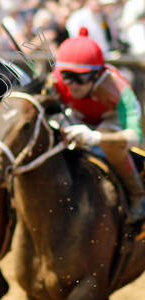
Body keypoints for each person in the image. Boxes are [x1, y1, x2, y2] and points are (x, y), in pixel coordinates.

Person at [47, 27, 145, 221]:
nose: (72, 85)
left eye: (80, 78)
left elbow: (135, 136)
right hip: (75, 117)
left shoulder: (118, 88)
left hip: (109, 123)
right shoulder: (55, 81)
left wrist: (96, 137)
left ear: (97, 74)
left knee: (112, 144)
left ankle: (137, 195)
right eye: (67, 76)